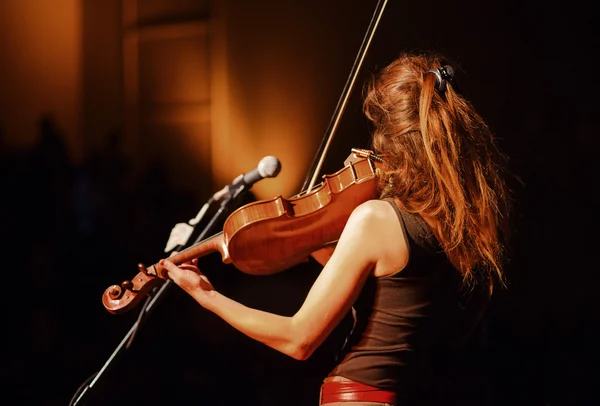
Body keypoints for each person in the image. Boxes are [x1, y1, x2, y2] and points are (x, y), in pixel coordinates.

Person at [157, 51, 512, 405]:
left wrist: (207, 296)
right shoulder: (475, 225)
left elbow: (299, 340)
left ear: (389, 138)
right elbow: (396, 297)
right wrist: (314, 236)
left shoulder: (376, 219)